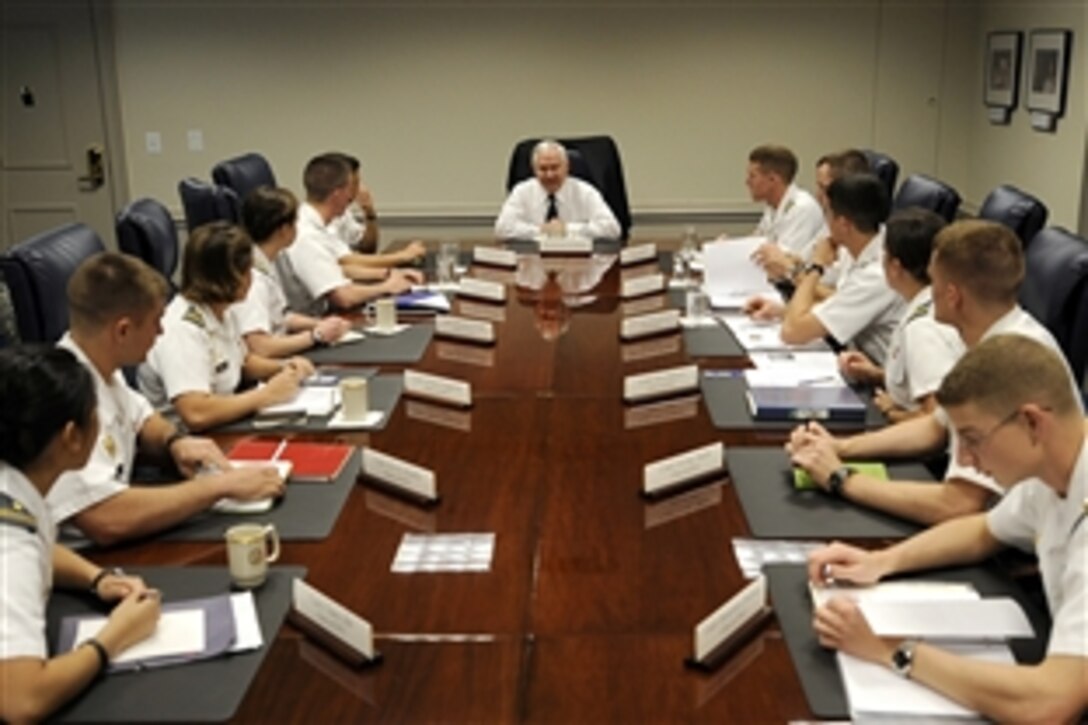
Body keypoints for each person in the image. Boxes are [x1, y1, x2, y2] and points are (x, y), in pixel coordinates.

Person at [808, 335, 1087, 722]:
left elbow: (1049, 704)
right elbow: (982, 530)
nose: (964, 459)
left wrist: (891, 650)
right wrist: (881, 561)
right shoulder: (1053, 471)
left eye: (972, 439)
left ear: (1032, 422)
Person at [789, 220, 1077, 525]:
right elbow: (935, 427)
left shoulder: (1008, 361)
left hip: (1020, 548)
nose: (928, 290)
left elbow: (958, 505)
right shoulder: (992, 336)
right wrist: (839, 447)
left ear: (952, 296)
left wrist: (840, 478)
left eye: (933, 280)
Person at [47, 252, 286, 547]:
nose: (161, 332)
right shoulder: (62, 397)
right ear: (122, 330)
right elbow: (106, 519)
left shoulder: (101, 366)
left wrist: (175, 443)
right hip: (91, 558)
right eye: (155, 322)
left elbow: (142, 419)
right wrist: (221, 486)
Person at [0, 346, 161, 722]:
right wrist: (114, 638)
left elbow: (38, 543)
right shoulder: (10, 542)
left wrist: (97, 578)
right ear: (71, 437)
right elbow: (21, 701)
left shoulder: (16, 487)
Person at [138, 222, 311, 431]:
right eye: (247, 271)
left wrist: (284, 368)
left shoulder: (221, 311)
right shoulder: (181, 329)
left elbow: (239, 362)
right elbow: (196, 412)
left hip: (224, 426)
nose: (253, 279)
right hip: (191, 445)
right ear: (223, 277)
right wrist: (266, 395)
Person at [747, 173, 903, 365]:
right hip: (854, 358)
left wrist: (816, 267)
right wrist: (782, 311)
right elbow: (836, 297)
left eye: (827, 214)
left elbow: (792, 332)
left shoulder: (877, 275)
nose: (825, 223)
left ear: (844, 224)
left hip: (879, 377)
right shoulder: (859, 245)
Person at [837, 208, 964, 422]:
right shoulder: (924, 303)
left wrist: (891, 413)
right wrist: (876, 374)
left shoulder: (924, 328)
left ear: (895, 266)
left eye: (883, 254)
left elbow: (937, 420)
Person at [279, 154, 417, 315]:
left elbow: (338, 268)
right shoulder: (306, 236)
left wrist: (387, 274)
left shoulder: (317, 225)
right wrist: (387, 287)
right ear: (337, 194)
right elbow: (343, 297)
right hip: (312, 325)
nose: (353, 197)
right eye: (351, 189)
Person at [235, 186, 353, 357]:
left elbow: (279, 317)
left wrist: (320, 324)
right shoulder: (253, 278)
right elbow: (260, 347)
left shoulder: (269, 261)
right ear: (284, 230)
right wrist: (315, 336)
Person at [751, 148, 869, 285]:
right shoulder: (829, 223)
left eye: (824, 188)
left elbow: (833, 292)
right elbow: (804, 258)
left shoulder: (862, 253)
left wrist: (790, 269)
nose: (818, 195)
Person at [745, 145, 841, 282]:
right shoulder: (772, 207)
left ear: (772, 180)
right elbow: (757, 243)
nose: (747, 182)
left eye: (752, 176)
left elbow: (782, 266)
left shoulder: (802, 208)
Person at [494, 140, 620, 241]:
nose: (549, 175)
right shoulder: (522, 192)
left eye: (555, 167)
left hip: (578, 263)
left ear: (567, 167)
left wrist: (567, 229)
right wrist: (541, 230)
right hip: (532, 263)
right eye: (543, 169)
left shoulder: (585, 192)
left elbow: (612, 229)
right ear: (534, 170)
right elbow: (502, 229)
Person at [327, 152, 427, 265]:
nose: (359, 189)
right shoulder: (318, 222)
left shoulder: (343, 213)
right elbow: (344, 261)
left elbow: (367, 250)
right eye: (355, 184)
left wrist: (369, 211)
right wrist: (403, 256)